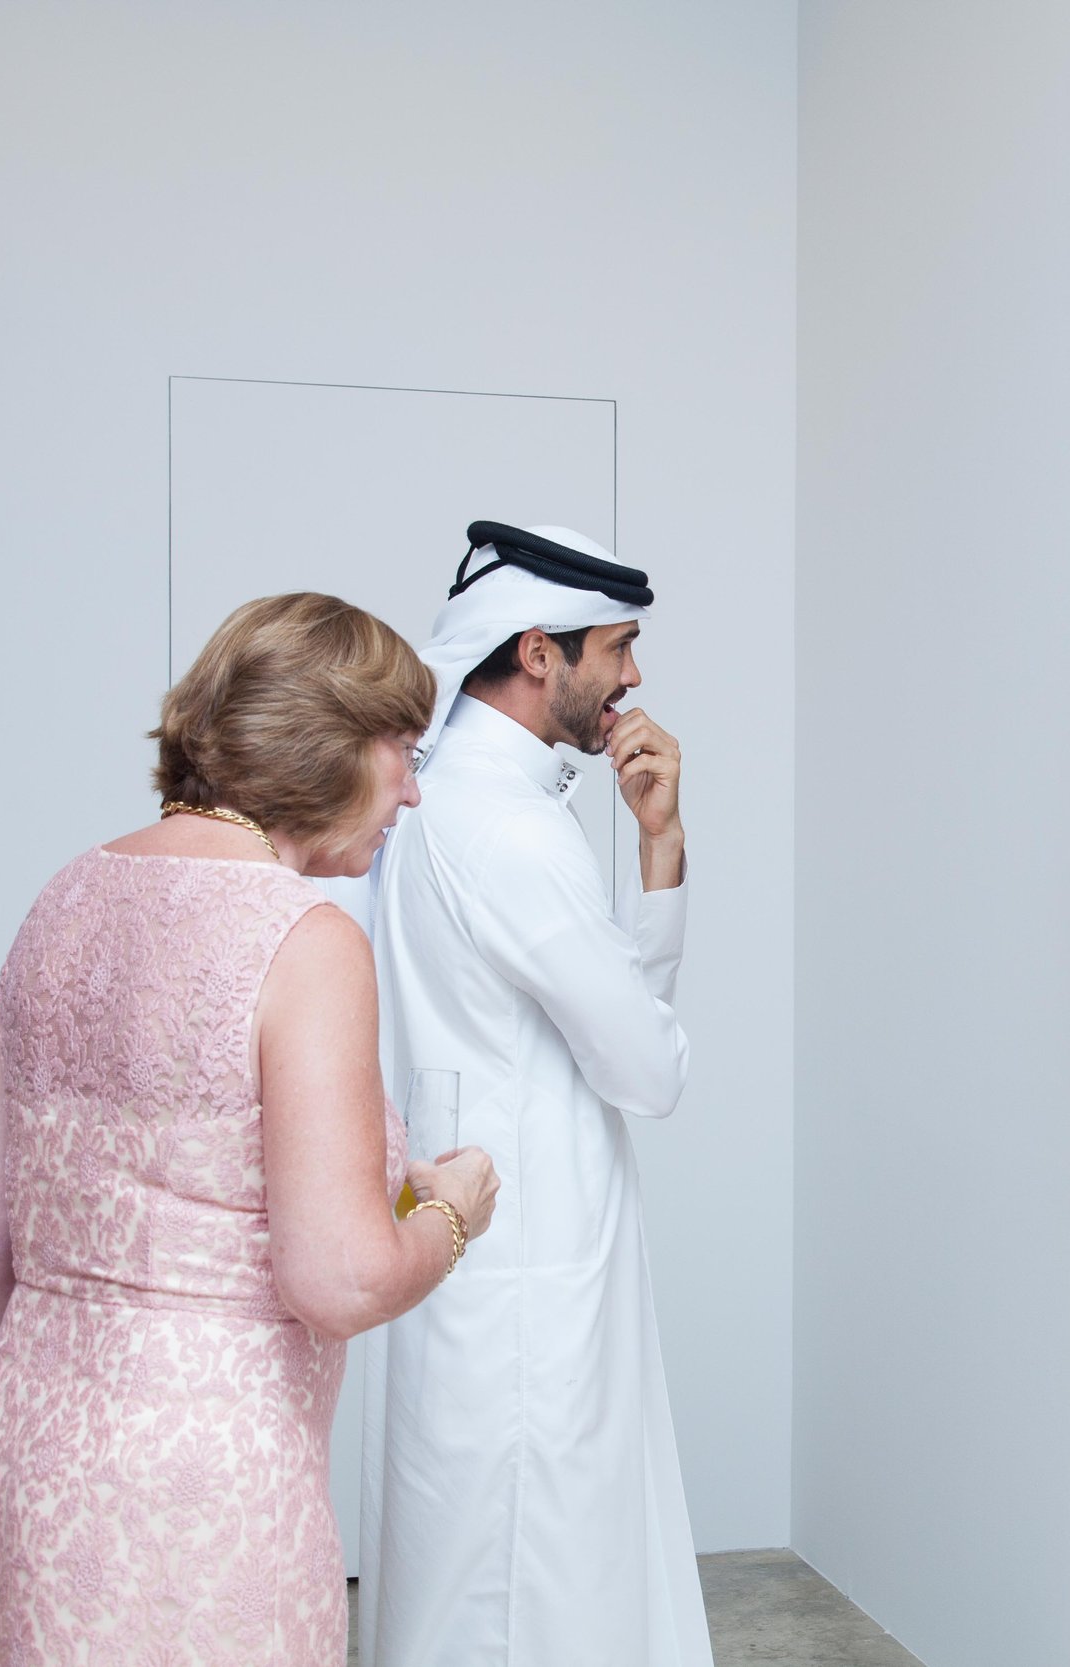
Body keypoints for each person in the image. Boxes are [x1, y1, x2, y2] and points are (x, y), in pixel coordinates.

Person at [0, 592, 503, 1667]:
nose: (415, 790)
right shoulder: (304, 938)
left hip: (23, 1454)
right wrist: (448, 1211)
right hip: (206, 1493)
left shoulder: (64, 894)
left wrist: (75, 1398)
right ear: (327, 746)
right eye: (404, 749)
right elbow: (337, 1279)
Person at [360, 523, 709, 1667]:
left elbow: (605, 1022)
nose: (635, 674)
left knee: (473, 1569)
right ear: (539, 651)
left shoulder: (439, 794)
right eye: (617, 645)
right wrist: (663, 859)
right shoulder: (510, 826)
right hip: (527, 1265)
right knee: (536, 1581)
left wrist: (653, 846)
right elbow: (648, 1069)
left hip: (480, 1246)